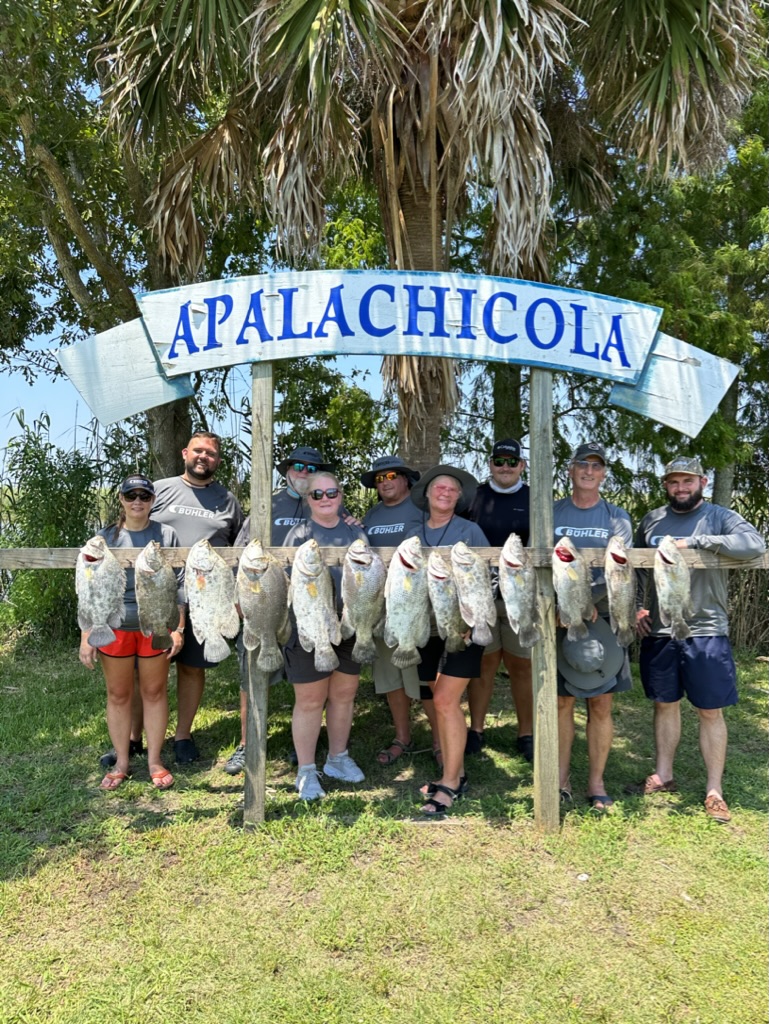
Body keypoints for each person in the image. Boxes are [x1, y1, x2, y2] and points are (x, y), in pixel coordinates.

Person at [633, 455, 766, 823]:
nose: (681, 488)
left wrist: (698, 541)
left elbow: (754, 544)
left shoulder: (719, 517)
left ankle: (713, 789)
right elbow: (638, 567)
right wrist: (638, 607)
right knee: (665, 703)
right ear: (666, 486)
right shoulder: (653, 519)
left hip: (705, 630)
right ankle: (664, 774)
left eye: (687, 481)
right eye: (674, 482)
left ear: (702, 482)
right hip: (661, 630)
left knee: (709, 710)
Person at [224, 445, 356, 776]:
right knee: (253, 678)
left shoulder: (329, 506)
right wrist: (236, 599)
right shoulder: (267, 505)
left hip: (312, 610)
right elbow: (241, 553)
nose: (305, 472)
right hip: (265, 603)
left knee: (313, 685)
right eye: (298, 466)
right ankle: (246, 744)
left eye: (313, 468)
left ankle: (309, 750)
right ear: (286, 470)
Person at [80, 476, 185, 790]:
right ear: (121, 500)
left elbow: (180, 586)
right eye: (131, 496)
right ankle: (122, 762)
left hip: (156, 624)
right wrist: (87, 634)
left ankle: (155, 760)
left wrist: (178, 628)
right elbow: (89, 590)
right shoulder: (103, 538)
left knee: (154, 692)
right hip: (115, 627)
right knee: (118, 694)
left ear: (152, 500)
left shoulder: (166, 535)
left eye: (144, 496)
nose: (137, 501)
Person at [150, 431, 244, 762]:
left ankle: (183, 735)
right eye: (198, 451)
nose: (204, 457)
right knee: (149, 670)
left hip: (205, 600)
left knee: (192, 668)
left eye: (211, 454)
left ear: (218, 461)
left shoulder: (227, 501)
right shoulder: (160, 490)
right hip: (158, 594)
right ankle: (136, 737)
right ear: (185, 453)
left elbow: (237, 551)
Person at [553, 442, 633, 810]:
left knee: (600, 703)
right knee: (561, 702)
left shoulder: (617, 518)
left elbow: (621, 574)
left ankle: (596, 783)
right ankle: (560, 779)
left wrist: (593, 607)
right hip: (558, 615)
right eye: (582, 464)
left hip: (601, 617)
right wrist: (554, 607)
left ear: (603, 474)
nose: (588, 471)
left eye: (596, 466)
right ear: (570, 470)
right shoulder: (550, 512)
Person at [406, 465, 489, 815]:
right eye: (438, 487)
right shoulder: (412, 534)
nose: (444, 492)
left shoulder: (471, 531)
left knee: (444, 700)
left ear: (459, 497)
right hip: (425, 628)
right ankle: (454, 768)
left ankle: (451, 783)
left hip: (463, 629)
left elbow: (491, 575)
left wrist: (474, 618)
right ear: (426, 494)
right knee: (432, 696)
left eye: (452, 489)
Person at [284, 471, 369, 800]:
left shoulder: (355, 530)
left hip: (349, 622)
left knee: (344, 695)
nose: (325, 498)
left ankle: (338, 758)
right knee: (310, 700)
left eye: (331, 492)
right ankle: (306, 770)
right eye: (317, 494)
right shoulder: (298, 535)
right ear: (308, 500)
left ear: (341, 494)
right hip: (310, 625)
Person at [360, 455, 437, 766]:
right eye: (379, 478)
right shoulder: (370, 516)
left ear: (407, 479)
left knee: (426, 678)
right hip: (382, 607)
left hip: (419, 605)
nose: (385, 481)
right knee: (390, 676)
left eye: (391, 475)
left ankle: (440, 741)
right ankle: (402, 737)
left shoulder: (423, 511)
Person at [466, 438, 533, 760]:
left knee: (522, 665)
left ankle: (527, 733)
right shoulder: (474, 497)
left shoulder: (535, 499)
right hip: (480, 594)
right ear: (490, 464)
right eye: (498, 461)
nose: (504, 467)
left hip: (520, 594)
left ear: (521, 465)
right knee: (484, 663)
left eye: (511, 462)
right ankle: (476, 730)